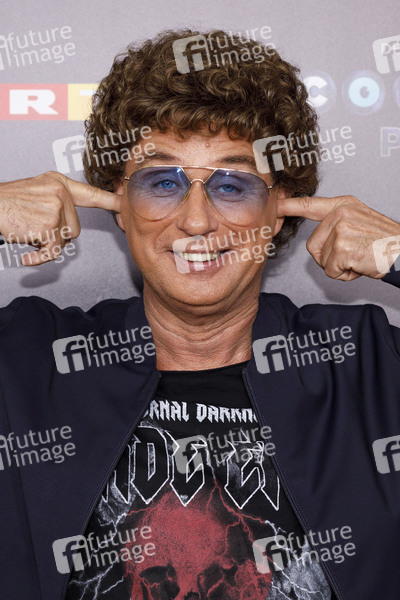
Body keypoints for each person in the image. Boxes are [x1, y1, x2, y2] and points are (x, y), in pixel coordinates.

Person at [0, 28, 399, 600]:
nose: (195, 220)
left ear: (279, 209)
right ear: (119, 204)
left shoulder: (370, 365)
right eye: (162, 182)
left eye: (233, 186)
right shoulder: (27, 360)